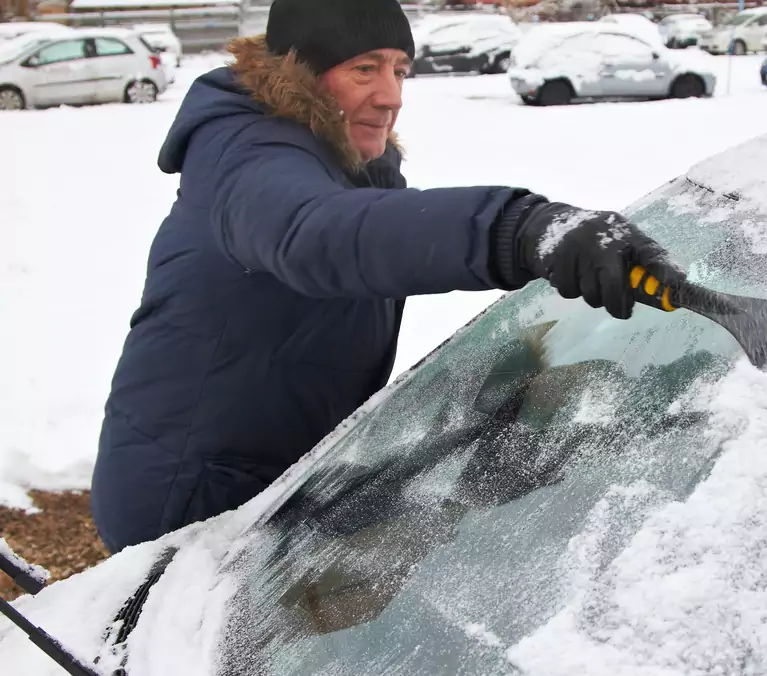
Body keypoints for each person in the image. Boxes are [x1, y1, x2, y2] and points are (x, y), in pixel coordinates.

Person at [90, 0, 685, 554]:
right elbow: (316, 234)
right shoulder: (246, 151)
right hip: (188, 498)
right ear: (299, 73)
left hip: (275, 475)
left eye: (400, 70)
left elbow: (379, 233)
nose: (390, 95)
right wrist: (518, 230)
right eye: (365, 69)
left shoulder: (348, 163)